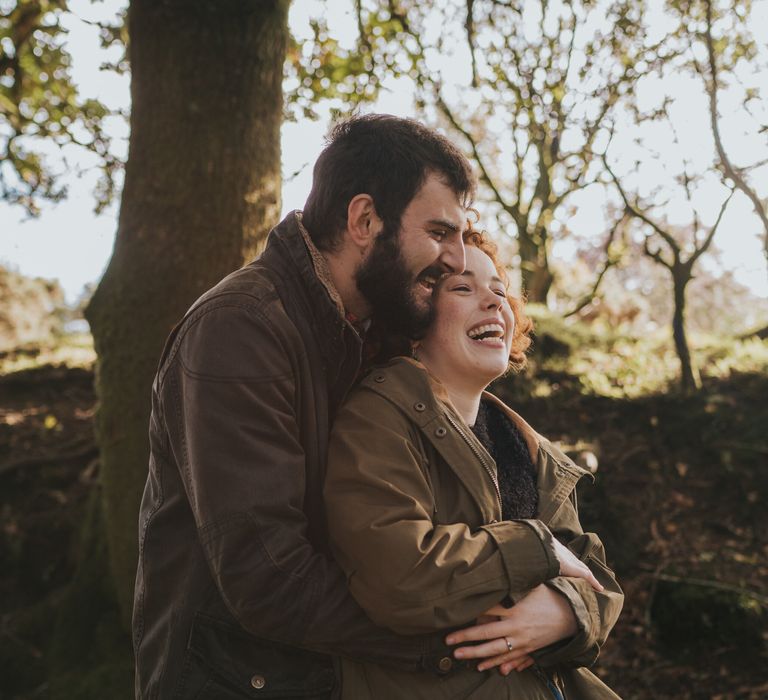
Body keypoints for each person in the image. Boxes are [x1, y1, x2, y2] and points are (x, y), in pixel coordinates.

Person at [132, 114, 479, 699]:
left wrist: (561, 603)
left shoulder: (384, 331)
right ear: (364, 219)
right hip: (233, 681)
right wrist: (464, 641)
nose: (457, 257)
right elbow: (268, 578)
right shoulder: (240, 327)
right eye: (441, 231)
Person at [324, 233, 624, 698]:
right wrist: (534, 549)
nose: (493, 301)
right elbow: (398, 575)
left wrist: (566, 612)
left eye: (500, 292)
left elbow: (595, 578)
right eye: (463, 288)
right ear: (415, 318)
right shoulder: (376, 416)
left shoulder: (528, 446)